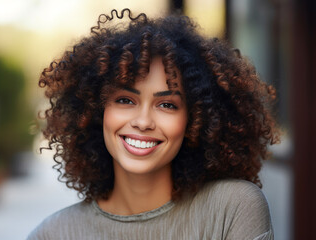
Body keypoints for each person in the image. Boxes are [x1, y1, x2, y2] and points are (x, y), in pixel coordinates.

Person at [27, 9, 279, 240]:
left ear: (194, 120)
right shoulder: (53, 234)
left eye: (167, 104)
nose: (143, 122)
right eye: (125, 100)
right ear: (96, 111)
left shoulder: (233, 208)